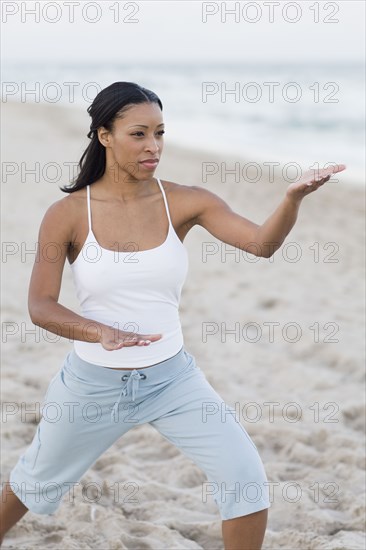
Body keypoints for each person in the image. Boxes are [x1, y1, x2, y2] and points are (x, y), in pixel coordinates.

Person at [0, 81, 346, 549]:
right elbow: (40, 306)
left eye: (160, 133)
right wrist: (98, 330)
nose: (154, 146)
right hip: (93, 383)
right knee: (31, 484)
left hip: (173, 379)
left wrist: (291, 200)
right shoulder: (66, 213)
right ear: (104, 135)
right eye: (139, 134)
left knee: (245, 481)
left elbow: (261, 245)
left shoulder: (185, 200)